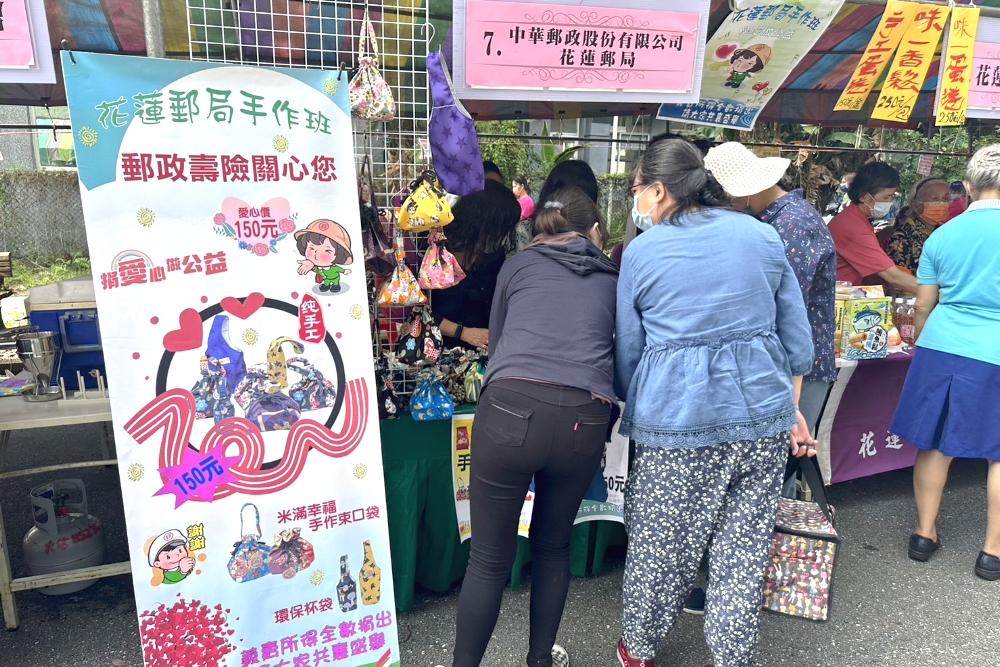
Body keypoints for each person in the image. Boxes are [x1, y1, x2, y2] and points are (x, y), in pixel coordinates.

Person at [615, 138, 816, 667]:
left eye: (636, 189)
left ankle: (638, 649)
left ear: (659, 190)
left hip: (678, 422)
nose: (637, 200)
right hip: (762, 419)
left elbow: (629, 349)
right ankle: (731, 655)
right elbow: (799, 343)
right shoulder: (761, 235)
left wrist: (633, 401)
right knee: (743, 550)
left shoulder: (642, 252)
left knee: (661, 545)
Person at [452, 187, 618, 667]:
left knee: (488, 558)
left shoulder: (517, 265)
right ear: (594, 230)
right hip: (584, 417)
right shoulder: (613, 278)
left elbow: (498, 343)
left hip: (511, 407)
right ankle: (540, 659)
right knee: (553, 546)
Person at [889, 144, 1000, 581]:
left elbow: (923, 305)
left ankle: (924, 534)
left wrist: (921, 339)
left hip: (941, 346)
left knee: (935, 443)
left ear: (968, 188)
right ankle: (992, 552)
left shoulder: (942, 235)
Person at [705, 141, 838, 462]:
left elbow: (786, 308)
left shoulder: (792, 225)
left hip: (797, 369)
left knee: (780, 462)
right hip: (780, 362)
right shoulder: (774, 220)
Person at [431, 181, 520, 350]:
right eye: (501, 228)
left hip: (481, 354)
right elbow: (416, 311)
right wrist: (462, 332)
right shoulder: (436, 250)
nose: (503, 235)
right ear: (485, 223)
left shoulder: (492, 257)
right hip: (434, 351)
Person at [828, 162, 917, 294]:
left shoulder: (853, 219)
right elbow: (894, 277)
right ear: (863, 196)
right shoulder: (855, 228)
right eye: (885, 197)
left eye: (892, 196)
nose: (889, 202)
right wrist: (937, 294)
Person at [882, 177, 950, 274]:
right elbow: (897, 277)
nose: (942, 204)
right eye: (935, 199)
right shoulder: (903, 234)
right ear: (915, 205)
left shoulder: (945, 231)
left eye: (946, 199)